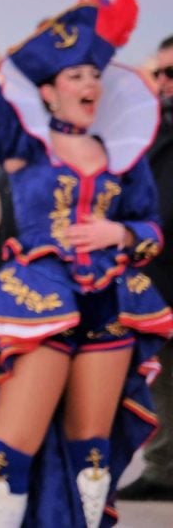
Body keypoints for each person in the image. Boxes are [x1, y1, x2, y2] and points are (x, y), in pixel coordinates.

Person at [0, 0, 172, 527]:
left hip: (110, 304)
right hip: (39, 303)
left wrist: (123, 234)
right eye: (76, 74)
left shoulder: (123, 154)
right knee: (12, 446)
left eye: (95, 72)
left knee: (93, 456)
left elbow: (152, 225)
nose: (90, 83)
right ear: (47, 89)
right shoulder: (24, 145)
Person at [116, 33, 173, 501]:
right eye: (159, 72)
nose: (162, 82)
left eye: (170, 74)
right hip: (159, 276)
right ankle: (161, 466)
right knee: (163, 376)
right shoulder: (154, 127)